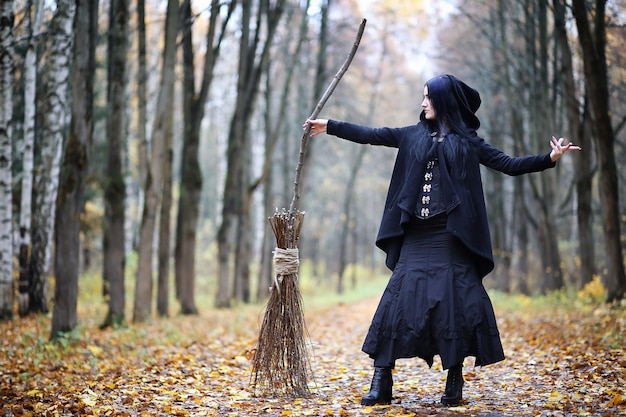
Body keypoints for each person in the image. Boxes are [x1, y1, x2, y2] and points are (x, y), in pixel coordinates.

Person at [304, 74, 580, 406]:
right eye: (422, 97)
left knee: (456, 305)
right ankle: (382, 379)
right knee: (396, 302)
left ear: (444, 101)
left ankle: (454, 378)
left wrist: (548, 158)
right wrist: (331, 125)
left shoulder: (468, 142)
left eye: (428, 98)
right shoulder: (411, 135)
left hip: (451, 237)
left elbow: (508, 165)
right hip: (416, 237)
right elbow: (372, 135)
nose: (422, 103)